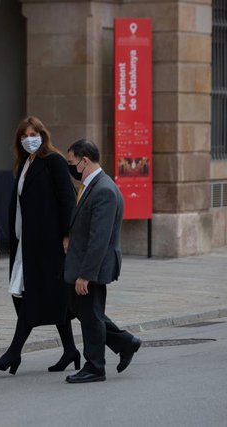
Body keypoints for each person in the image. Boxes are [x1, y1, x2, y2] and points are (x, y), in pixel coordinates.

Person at [0, 117, 79, 375]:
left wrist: (67, 235)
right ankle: (71, 349)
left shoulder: (53, 161)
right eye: (25, 135)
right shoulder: (25, 164)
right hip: (26, 243)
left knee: (32, 296)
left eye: (34, 133)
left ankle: (13, 353)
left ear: (42, 134)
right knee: (45, 297)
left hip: (48, 243)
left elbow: (67, 199)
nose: (30, 138)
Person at [63, 139, 142, 383]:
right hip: (84, 263)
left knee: (91, 316)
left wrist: (85, 275)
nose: (70, 167)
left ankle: (95, 366)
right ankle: (125, 342)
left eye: (71, 162)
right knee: (84, 311)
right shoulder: (92, 185)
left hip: (94, 266)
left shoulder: (104, 190)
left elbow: (100, 239)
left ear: (84, 160)